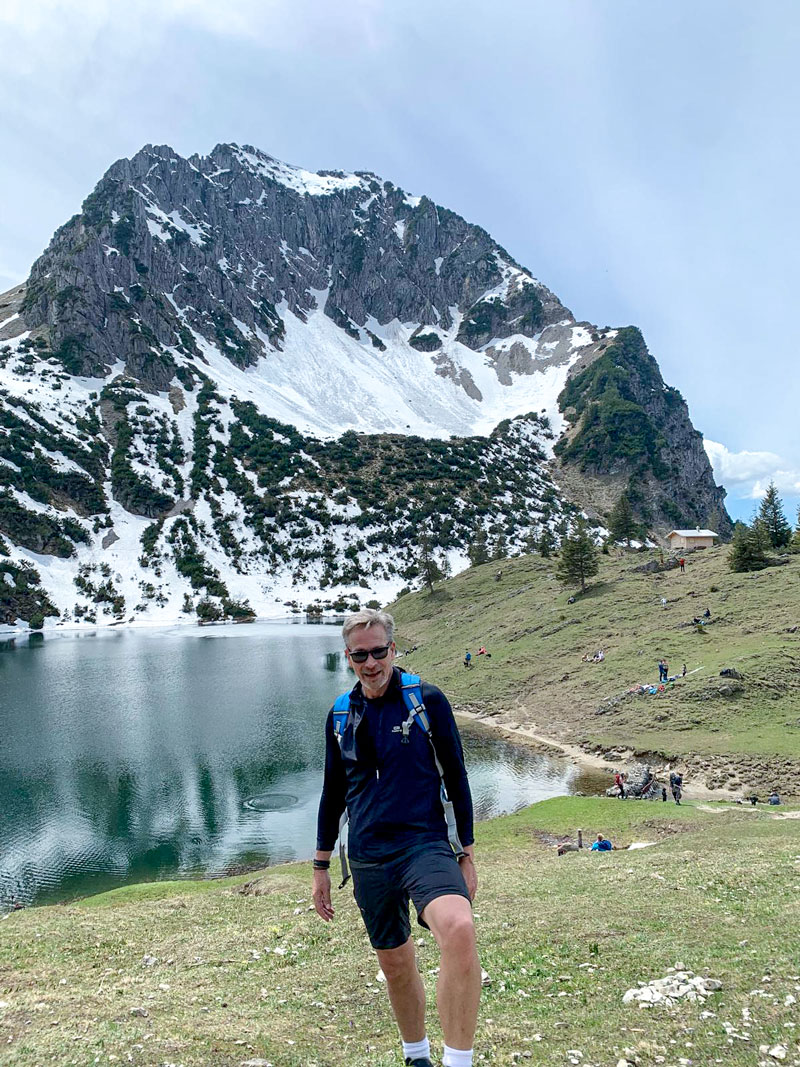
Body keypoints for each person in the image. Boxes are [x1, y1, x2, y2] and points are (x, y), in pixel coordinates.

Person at [313, 609, 480, 1067]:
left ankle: (458, 1062)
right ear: (348, 657)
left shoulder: (426, 700)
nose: (371, 663)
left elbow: (458, 776)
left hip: (424, 844)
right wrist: (321, 866)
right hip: (368, 856)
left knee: (460, 929)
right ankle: (416, 1056)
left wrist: (466, 852)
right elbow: (333, 793)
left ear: (394, 648)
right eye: (360, 655)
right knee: (396, 964)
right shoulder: (341, 714)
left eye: (379, 651)